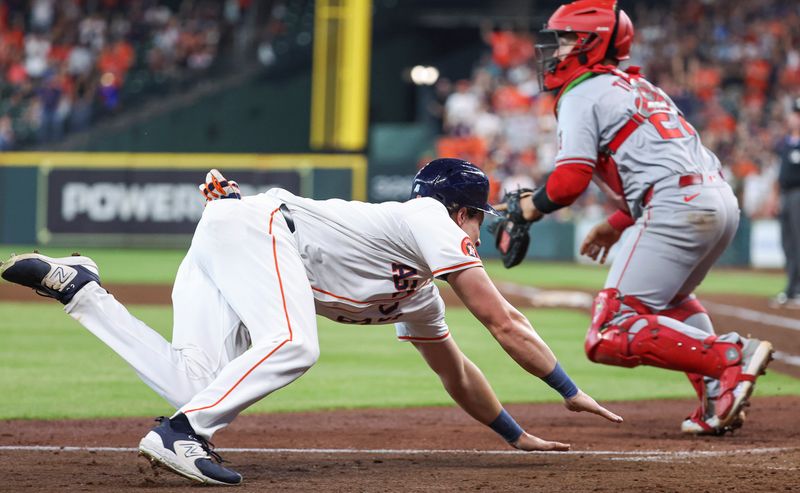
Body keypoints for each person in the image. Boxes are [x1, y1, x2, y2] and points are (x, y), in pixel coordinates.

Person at [1, 160, 622, 486]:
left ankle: (83, 292)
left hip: (233, 234)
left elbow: (456, 371)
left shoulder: (417, 294)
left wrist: (516, 436)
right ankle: (180, 435)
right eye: (478, 217)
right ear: (463, 210)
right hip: (257, 226)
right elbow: (502, 319)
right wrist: (567, 389)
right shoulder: (429, 216)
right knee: (294, 344)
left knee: (198, 385)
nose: (477, 228)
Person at [496, 0, 773, 435]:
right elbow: (667, 163)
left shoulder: (582, 90)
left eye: (565, 39)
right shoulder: (641, 88)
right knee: (668, 302)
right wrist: (617, 223)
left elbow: (570, 181)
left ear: (592, 43)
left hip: (675, 205)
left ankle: (728, 359)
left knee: (610, 329)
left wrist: (530, 207)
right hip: (717, 201)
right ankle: (719, 393)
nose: (554, 49)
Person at [771, 97, 800, 309]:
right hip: (786, 195)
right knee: (788, 243)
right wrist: (774, 198)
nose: (795, 118)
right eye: (795, 114)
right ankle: (791, 288)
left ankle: (798, 289)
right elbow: (778, 175)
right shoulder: (786, 142)